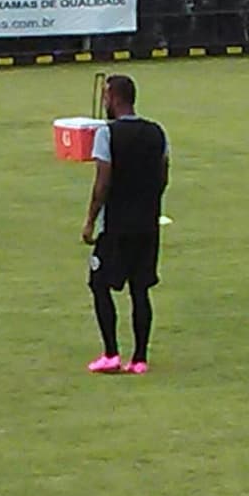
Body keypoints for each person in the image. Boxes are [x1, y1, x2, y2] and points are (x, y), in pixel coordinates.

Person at [81, 74, 169, 374]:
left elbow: (102, 181)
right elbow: (163, 176)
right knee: (140, 289)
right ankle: (140, 358)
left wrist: (90, 220)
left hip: (117, 226)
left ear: (115, 98)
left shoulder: (108, 134)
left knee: (98, 283)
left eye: (106, 97)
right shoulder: (157, 132)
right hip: (147, 225)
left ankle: (111, 353)